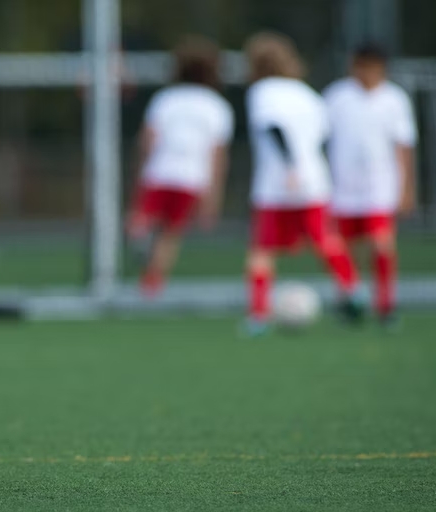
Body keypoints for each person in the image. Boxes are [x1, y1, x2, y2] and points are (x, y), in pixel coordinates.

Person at [243, 31, 363, 335]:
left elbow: (273, 126)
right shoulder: (307, 93)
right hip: (314, 181)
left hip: (276, 183)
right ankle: (353, 290)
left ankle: (258, 315)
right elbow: (323, 134)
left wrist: (289, 165)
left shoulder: (262, 91)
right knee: (325, 240)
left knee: (262, 250)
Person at [126, 35, 234, 296]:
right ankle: (152, 282)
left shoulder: (166, 99)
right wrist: (212, 198)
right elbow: (217, 156)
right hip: (191, 178)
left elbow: (147, 140)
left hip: (159, 172)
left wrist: (140, 173)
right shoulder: (216, 106)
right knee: (171, 233)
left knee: (141, 220)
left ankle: (139, 238)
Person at [323, 43, 418, 327]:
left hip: (380, 188)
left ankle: (386, 305)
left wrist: (407, 189)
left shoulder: (394, 99)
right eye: (359, 65)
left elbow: (404, 147)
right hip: (342, 189)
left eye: (370, 66)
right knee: (344, 249)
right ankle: (350, 302)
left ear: (381, 68)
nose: (364, 72)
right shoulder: (336, 96)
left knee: (381, 244)